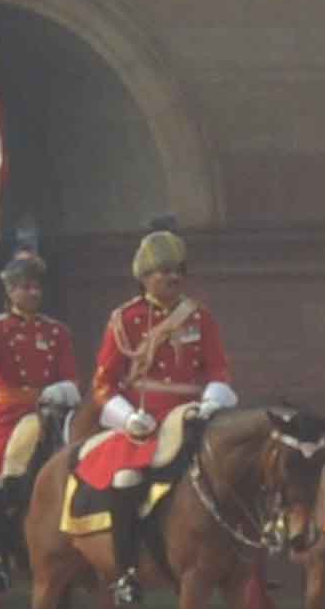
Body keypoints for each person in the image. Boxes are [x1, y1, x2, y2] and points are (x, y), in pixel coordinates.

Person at [78, 226, 230, 528]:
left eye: (178, 271)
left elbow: (218, 369)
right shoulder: (125, 319)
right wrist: (127, 418)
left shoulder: (200, 317)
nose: (174, 278)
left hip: (195, 415)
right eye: (164, 271)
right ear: (145, 276)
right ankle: (128, 570)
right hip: (146, 423)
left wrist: (213, 401)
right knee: (125, 480)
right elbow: (103, 384)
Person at [0, 244, 88, 523]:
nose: (34, 292)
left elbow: (72, 377)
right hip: (9, 415)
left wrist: (59, 391)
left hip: (50, 411)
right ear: (10, 291)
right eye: (26, 287)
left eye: (37, 286)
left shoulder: (56, 331)